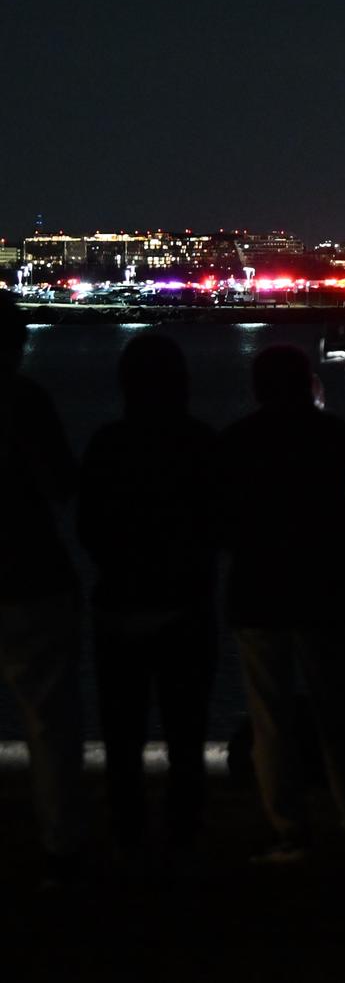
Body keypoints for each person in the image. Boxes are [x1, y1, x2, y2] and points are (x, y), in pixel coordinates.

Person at [216, 344, 345, 862]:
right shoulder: (343, 440)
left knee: (270, 718)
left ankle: (289, 826)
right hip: (323, 588)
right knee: (337, 712)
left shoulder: (235, 443)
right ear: (310, 382)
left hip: (258, 592)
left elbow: (219, 522)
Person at [78, 331, 219, 861]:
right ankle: (185, 828)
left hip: (118, 606)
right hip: (186, 605)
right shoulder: (202, 442)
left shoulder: (106, 443)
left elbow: (88, 524)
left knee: (122, 731)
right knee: (187, 730)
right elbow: (218, 523)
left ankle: (127, 828)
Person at [0, 291, 92, 885]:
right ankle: (61, 846)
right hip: (29, 571)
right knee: (50, 721)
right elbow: (62, 483)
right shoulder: (25, 400)